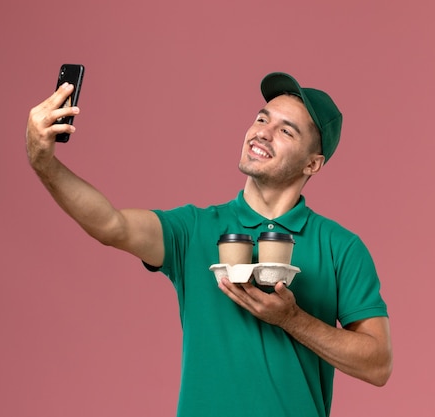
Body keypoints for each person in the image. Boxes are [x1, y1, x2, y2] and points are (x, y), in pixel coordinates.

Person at [26, 72, 392, 417]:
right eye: (262, 119)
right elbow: (110, 224)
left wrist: (291, 319)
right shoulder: (194, 229)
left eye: (286, 131)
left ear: (312, 164)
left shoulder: (341, 248)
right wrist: (44, 164)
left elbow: (378, 364)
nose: (263, 133)